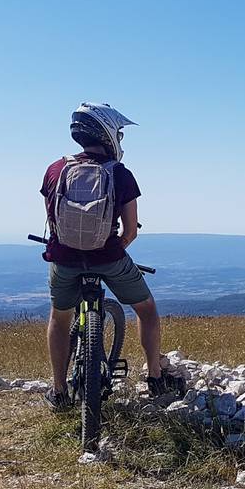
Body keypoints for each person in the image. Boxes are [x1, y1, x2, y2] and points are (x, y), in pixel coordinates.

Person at [39, 102, 168, 409]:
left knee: (60, 317)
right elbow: (130, 232)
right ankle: (154, 375)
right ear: (107, 132)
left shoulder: (56, 169)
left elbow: (52, 221)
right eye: (119, 133)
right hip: (109, 258)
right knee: (146, 309)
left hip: (64, 260)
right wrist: (114, 250)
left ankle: (59, 392)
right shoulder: (120, 174)